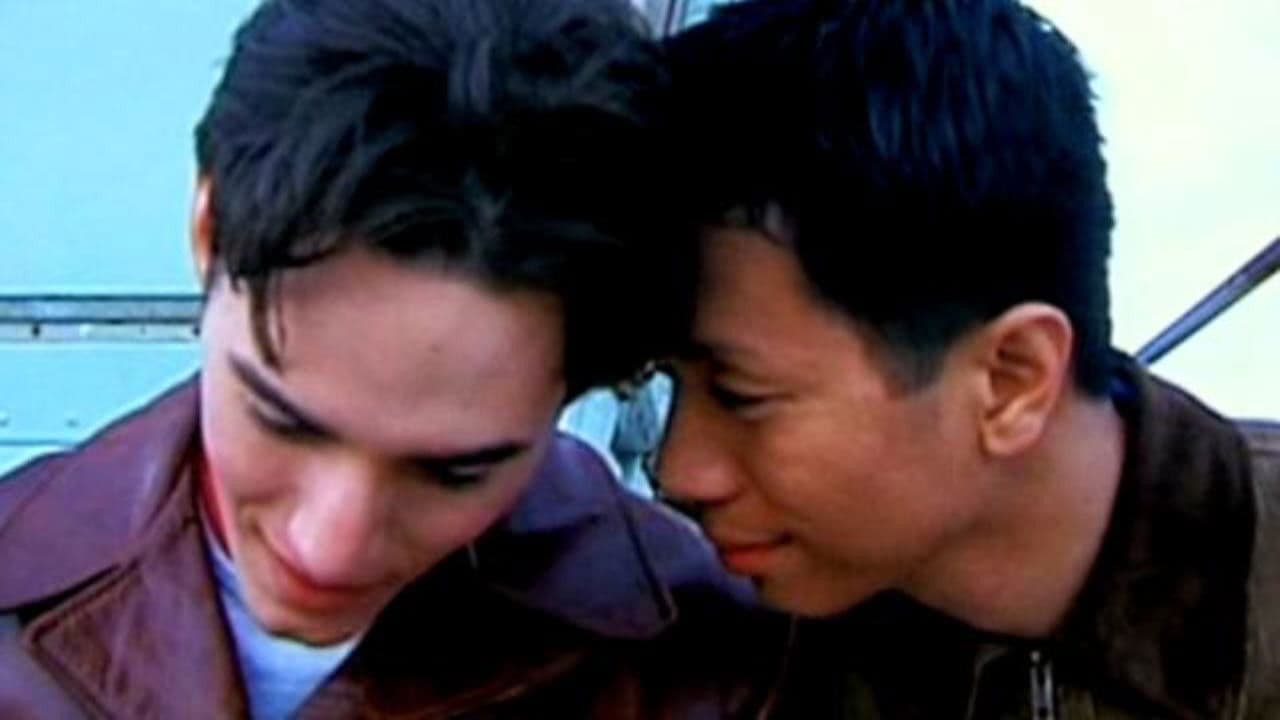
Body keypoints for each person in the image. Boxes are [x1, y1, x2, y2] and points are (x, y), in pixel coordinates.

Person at [0, 0, 771, 716]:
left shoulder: (708, 663)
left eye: (454, 472)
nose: (329, 547)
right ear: (210, 229)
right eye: (281, 422)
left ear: (579, 382)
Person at [657, 0, 1280, 717]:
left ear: (1011, 380)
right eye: (664, 383)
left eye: (739, 394)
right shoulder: (714, 647)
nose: (678, 470)